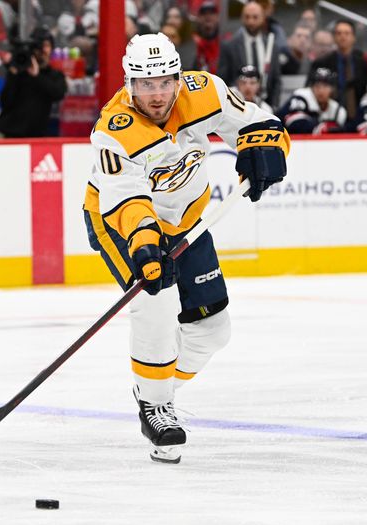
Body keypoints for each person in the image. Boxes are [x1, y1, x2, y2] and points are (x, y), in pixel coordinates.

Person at [83, 33, 289, 464]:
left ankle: (155, 388)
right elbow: (126, 199)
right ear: (128, 84)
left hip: (187, 222)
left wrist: (267, 148)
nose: (156, 94)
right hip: (124, 225)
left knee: (214, 331)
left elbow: (256, 123)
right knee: (155, 304)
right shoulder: (113, 131)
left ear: (178, 78)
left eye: (163, 82)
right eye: (144, 85)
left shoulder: (203, 91)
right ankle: (156, 409)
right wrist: (144, 247)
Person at [0, 26, 66, 138]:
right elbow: (5, 102)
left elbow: (58, 93)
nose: (42, 51)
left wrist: (37, 76)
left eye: (46, 46)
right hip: (8, 134)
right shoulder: (19, 71)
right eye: (39, 46)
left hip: (36, 137)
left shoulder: (54, 75)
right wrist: (14, 74)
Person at [217, 0, 282, 106]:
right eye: (247, 17)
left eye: (255, 17)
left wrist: (274, 107)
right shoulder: (229, 46)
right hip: (237, 105)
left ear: (263, 18)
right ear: (242, 18)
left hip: (265, 106)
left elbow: (276, 80)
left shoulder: (271, 45)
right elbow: (222, 80)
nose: (251, 21)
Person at [309, 19, 367, 119]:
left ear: (354, 37)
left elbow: (364, 87)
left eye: (347, 33)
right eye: (339, 33)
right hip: (328, 116)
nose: (343, 37)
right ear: (334, 37)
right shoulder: (322, 62)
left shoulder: (361, 62)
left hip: (356, 115)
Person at [277, 67, 346, 134]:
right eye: (317, 86)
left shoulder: (338, 111)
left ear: (332, 89)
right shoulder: (302, 96)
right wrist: (319, 128)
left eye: (325, 86)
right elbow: (295, 124)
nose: (321, 91)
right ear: (312, 87)